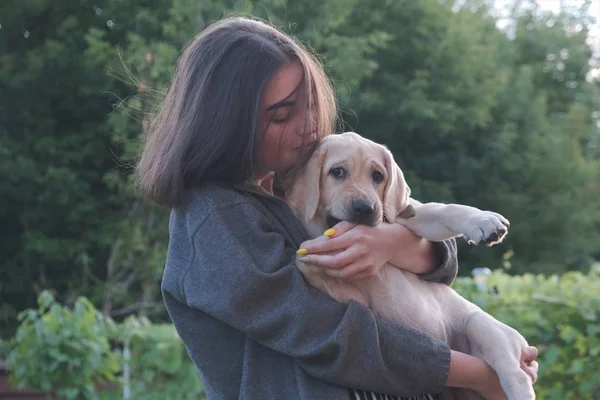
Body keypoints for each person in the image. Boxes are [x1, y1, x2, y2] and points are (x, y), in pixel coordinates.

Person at [136, 16, 538, 400]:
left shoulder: (304, 174)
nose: (309, 123)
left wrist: (391, 243)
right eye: (282, 113)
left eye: (310, 102)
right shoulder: (213, 220)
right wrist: (482, 376)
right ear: (227, 121)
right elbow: (333, 337)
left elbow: (436, 258)